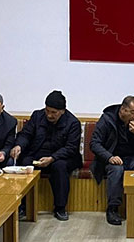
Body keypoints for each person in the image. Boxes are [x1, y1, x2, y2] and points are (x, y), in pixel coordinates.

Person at [10, 91, 83, 221]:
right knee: (25, 162)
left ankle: (60, 208)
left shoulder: (73, 123)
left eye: (54, 112)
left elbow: (71, 148)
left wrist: (52, 158)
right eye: (47, 111)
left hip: (62, 157)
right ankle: (23, 206)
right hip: (38, 154)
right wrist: (18, 146)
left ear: (62, 111)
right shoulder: (37, 116)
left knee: (59, 167)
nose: (49, 115)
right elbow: (25, 134)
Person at [90, 96, 134, 226]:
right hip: (112, 157)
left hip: (133, 157)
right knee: (117, 170)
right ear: (123, 110)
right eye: (133, 113)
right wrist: (109, 157)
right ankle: (112, 209)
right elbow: (94, 144)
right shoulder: (107, 119)